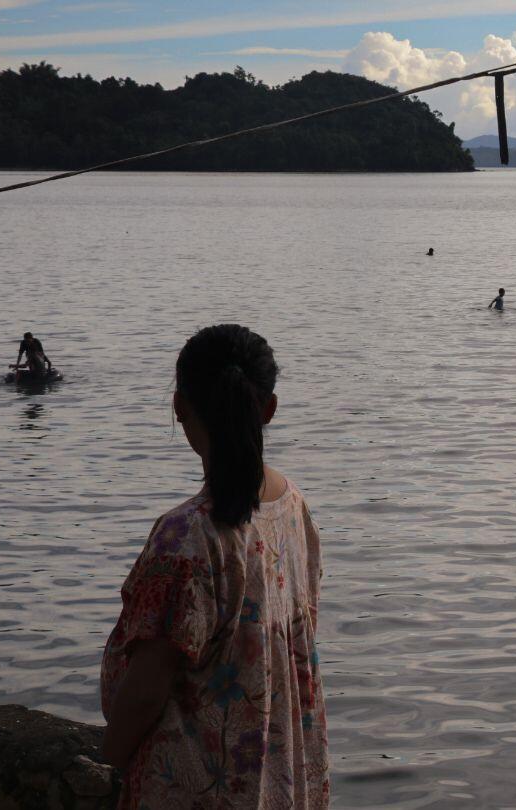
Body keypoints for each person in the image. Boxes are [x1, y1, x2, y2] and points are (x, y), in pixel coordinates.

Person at [100, 325, 329, 809]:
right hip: (277, 782)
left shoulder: (187, 535)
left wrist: (108, 766)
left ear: (179, 407)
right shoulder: (293, 509)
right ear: (269, 409)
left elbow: (147, 689)